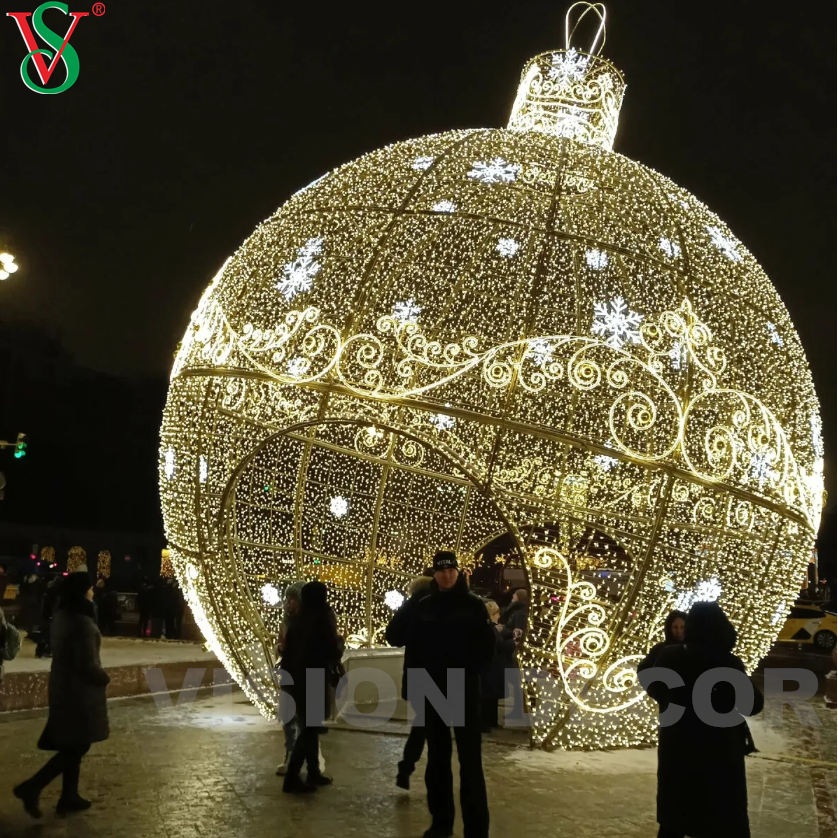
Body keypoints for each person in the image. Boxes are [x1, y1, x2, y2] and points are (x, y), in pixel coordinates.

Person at [388, 550, 496, 838]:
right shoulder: (422, 604)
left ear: (458, 572)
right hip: (431, 689)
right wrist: (411, 603)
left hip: (463, 688)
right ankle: (441, 822)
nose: (446, 575)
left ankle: (476, 829)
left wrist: (469, 670)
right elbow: (394, 635)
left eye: (451, 570)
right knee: (437, 759)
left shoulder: (473, 605)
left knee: (470, 761)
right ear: (433, 574)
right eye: (441, 571)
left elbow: (487, 647)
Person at [642, 602, 763, 838]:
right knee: (721, 819)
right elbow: (753, 705)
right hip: (719, 755)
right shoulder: (728, 664)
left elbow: (654, 685)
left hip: (678, 751)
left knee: (675, 818)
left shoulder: (670, 657)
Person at [13, 571, 110, 818]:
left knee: (74, 742)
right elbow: (86, 663)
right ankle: (32, 786)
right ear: (82, 592)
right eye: (90, 588)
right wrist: (104, 677)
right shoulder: (81, 622)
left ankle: (69, 795)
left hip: (66, 687)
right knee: (77, 745)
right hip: (79, 692)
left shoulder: (64, 616)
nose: (93, 592)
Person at [279, 581, 342, 794]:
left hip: (296, 681)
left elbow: (288, 654)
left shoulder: (298, 621)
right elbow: (332, 649)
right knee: (309, 730)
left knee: (310, 728)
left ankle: (312, 771)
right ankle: (293, 777)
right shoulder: (322, 618)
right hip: (314, 679)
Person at [385, 573, 433, 789]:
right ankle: (431, 776)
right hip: (446, 674)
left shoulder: (411, 607)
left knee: (422, 724)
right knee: (433, 728)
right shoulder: (446, 603)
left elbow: (393, 636)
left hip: (417, 674)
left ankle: (406, 768)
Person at [275, 581, 305, 776]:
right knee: (287, 716)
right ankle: (289, 753)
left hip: (303, 674)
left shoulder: (309, 621)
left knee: (304, 720)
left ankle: (301, 758)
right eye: (287, 599)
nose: (288, 603)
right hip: (288, 673)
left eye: (292, 599)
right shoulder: (286, 621)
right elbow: (280, 641)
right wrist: (279, 648)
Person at [480, 600, 516, 733]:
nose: (499, 616)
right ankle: (486, 722)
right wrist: (514, 642)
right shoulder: (489, 628)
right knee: (488, 694)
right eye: (497, 613)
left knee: (490, 694)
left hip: (491, 664)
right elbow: (498, 645)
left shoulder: (490, 627)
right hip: (490, 664)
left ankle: (490, 721)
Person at [637, 610, 687, 674]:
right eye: (675, 627)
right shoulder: (659, 649)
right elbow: (643, 669)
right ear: (669, 628)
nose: (679, 631)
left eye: (682, 627)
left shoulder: (689, 651)